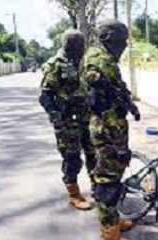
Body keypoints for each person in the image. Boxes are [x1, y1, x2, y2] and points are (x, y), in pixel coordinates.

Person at [81, 20, 140, 240]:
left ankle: (112, 220)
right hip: (108, 131)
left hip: (109, 128)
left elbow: (116, 90)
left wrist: (130, 105)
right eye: (120, 40)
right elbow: (102, 106)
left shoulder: (101, 58)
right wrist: (119, 145)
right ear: (107, 38)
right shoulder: (101, 61)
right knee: (108, 181)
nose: (124, 45)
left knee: (109, 178)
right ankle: (109, 232)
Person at [39, 29, 96, 211]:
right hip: (67, 121)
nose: (83, 48)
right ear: (69, 45)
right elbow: (45, 96)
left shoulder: (83, 61)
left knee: (94, 154)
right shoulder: (55, 64)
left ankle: (98, 190)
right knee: (72, 158)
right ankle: (74, 194)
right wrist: (56, 118)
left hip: (87, 117)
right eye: (79, 45)